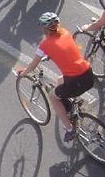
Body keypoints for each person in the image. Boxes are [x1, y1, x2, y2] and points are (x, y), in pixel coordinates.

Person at [17, 12, 94, 143]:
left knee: (53, 97)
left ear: (45, 28)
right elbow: (66, 49)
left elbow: (33, 65)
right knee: (59, 81)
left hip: (76, 81)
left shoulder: (45, 44)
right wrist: (52, 55)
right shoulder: (65, 32)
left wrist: (24, 73)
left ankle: (70, 129)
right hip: (88, 73)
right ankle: (72, 107)